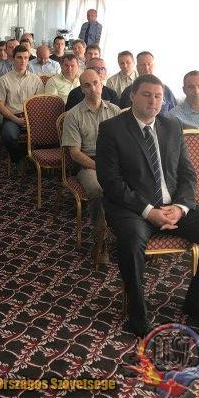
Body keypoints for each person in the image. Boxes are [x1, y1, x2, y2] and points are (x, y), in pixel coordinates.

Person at [96, 74, 199, 337]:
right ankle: (137, 314)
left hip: (174, 206)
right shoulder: (112, 129)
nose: (153, 101)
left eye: (158, 96)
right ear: (132, 96)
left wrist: (180, 207)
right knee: (131, 241)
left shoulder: (172, 126)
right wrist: (149, 211)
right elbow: (111, 181)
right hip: (133, 209)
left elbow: (187, 174)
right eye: (147, 95)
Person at [62, 69, 120, 263]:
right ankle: (100, 238)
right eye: (87, 85)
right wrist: (100, 167)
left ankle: (133, 233)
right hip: (87, 163)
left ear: (101, 84)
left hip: (114, 161)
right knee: (97, 189)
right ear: (82, 89)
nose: (93, 88)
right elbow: (75, 153)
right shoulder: (73, 115)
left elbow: (124, 143)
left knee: (140, 181)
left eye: (95, 83)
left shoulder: (115, 111)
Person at [0, 44, 43, 170]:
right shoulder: (3, 80)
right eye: (19, 57)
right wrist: (16, 120)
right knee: (8, 136)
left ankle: (36, 160)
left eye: (26, 58)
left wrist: (30, 119)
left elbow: (39, 103)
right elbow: (0, 105)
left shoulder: (36, 80)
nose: (23, 61)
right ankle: (20, 158)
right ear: (13, 58)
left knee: (48, 135)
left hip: (32, 118)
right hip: (12, 117)